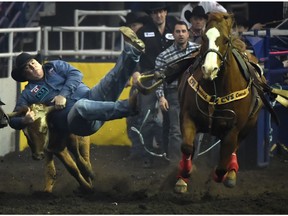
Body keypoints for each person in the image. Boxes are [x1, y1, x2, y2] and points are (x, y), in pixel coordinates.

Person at [8, 27, 145, 138]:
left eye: (33, 62)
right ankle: (130, 107)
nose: (33, 67)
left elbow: (76, 74)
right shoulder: (27, 93)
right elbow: (13, 119)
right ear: (24, 75)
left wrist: (63, 95)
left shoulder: (55, 65)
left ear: (38, 61)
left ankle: (133, 51)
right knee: (81, 106)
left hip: (93, 99)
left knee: (111, 77)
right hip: (77, 122)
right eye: (28, 67)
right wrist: (23, 121)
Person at [129, 3, 177, 168]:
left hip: (170, 77)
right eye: (155, 13)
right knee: (147, 117)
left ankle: (169, 155)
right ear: (151, 15)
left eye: (161, 11)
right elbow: (135, 54)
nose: (158, 15)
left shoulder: (174, 29)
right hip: (149, 76)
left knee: (171, 119)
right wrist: (135, 71)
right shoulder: (142, 32)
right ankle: (147, 155)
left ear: (165, 12)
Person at [155, 21, 200, 162]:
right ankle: (175, 165)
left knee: (196, 130)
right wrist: (161, 97)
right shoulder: (164, 56)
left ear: (188, 33)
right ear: (173, 35)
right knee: (176, 130)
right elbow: (158, 80)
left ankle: (192, 163)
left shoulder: (198, 50)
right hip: (175, 93)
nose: (181, 34)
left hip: (195, 93)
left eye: (183, 31)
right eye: (178, 32)